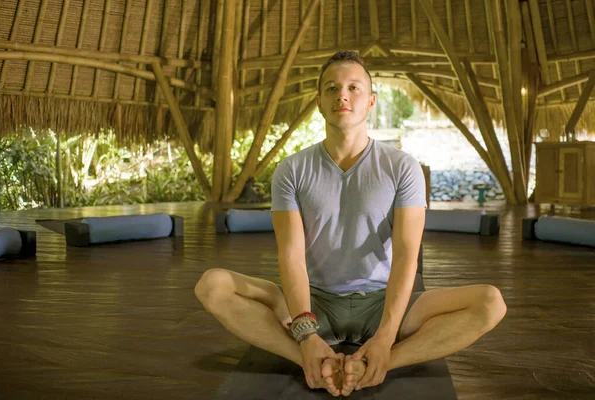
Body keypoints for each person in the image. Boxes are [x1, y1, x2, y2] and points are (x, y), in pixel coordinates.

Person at [195, 50, 507, 397]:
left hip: (381, 300)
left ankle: (381, 360)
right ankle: (309, 359)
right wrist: (307, 335)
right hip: (315, 301)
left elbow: (406, 257)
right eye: (331, 88)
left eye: (353, 87)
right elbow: (291, 257)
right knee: (212, 285)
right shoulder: (292, 170)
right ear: (319, 102)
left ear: (370, 101)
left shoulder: (402, 167)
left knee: (490, 302)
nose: (342, 95)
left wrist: (386, 338)